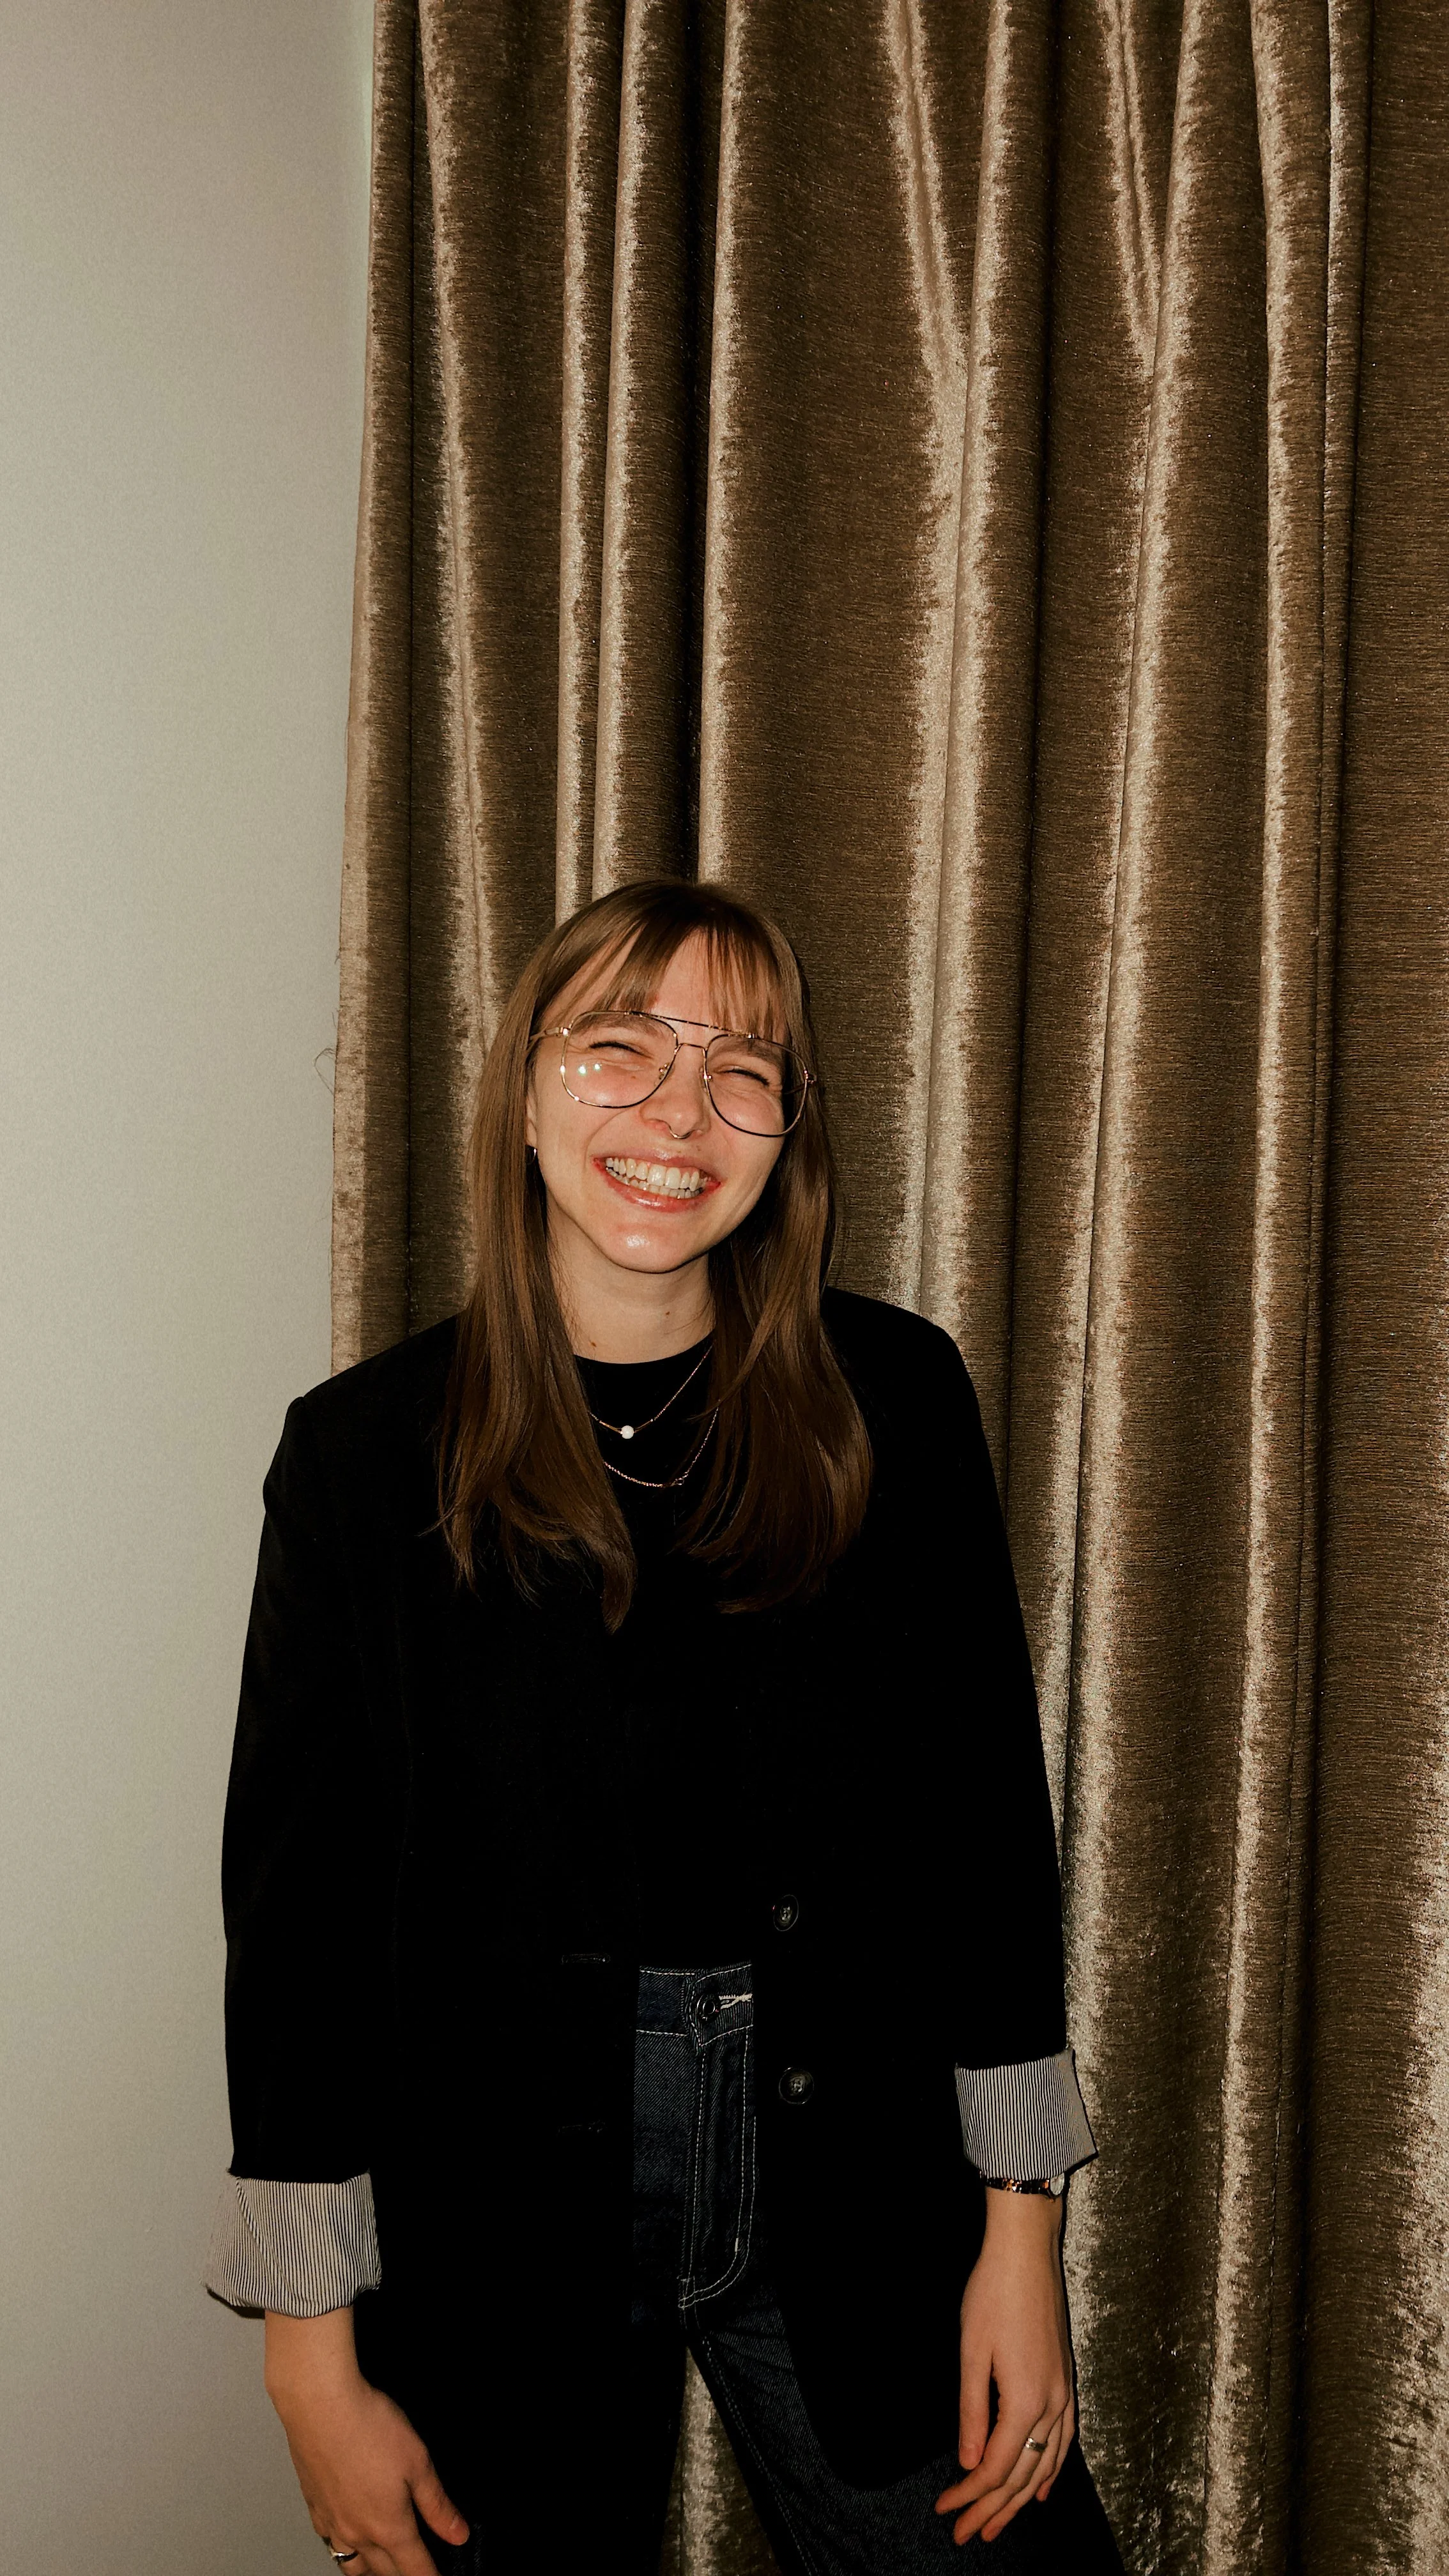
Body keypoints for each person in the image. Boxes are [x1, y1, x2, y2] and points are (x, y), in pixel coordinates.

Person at [206, 878, 1123, 2575]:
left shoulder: (894, 1401)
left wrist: (1019, 2240)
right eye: (619, 1045)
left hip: (849, 2162)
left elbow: (984, 1839)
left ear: (787, 1129)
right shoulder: (357, 1458)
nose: (677, 1111)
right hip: (489, 2200)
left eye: (740, 1065)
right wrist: (305, 2351)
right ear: (527, 1088)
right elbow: (301, 1928)